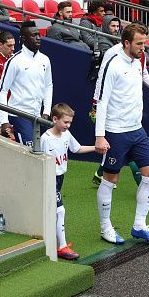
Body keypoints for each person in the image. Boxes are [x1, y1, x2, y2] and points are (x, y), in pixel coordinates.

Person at [94, 23, 149, 245]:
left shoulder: (139, 60)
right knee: (110, 179)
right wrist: (100, 135)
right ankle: (106, 227)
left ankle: (139, 226)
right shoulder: (113, 64)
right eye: (139, 43)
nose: (143, 48)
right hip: (115, 131)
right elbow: (102, 100)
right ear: (126, 43)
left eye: (145, 43)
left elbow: (144, 77)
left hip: (137, 130)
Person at [41, 103, 96, 260]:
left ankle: (54, 241)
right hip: (50, 178)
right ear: (55, 119)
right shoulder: (45, 139)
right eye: (65, 122)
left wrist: (95, 148)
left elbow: (76, 149)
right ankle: (62, 246)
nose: (68, 125)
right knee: (60, 210)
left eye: (70, 122)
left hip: (60, 178)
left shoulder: (66, 135)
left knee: (55, 210)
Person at [0, 21, 53, 147]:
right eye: (34, 35)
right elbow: (3, 90)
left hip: (37, 115)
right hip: (19, 114)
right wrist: (4, 121)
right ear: (23, 38)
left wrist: (46, 111)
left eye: (39, 34)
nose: (38, 38)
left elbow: (49, 85)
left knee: (38, 152)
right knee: (28, 151)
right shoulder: (15, 61)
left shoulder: (45, 59)